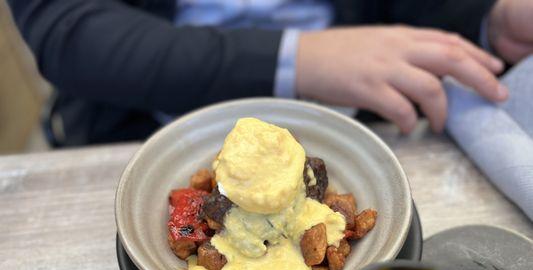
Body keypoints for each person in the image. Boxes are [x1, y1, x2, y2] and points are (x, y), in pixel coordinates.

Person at [7, 0, 533, 146]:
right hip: (141, 123)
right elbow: (66, 29)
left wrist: (485, 18)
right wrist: (297, 58)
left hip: (354, 121)